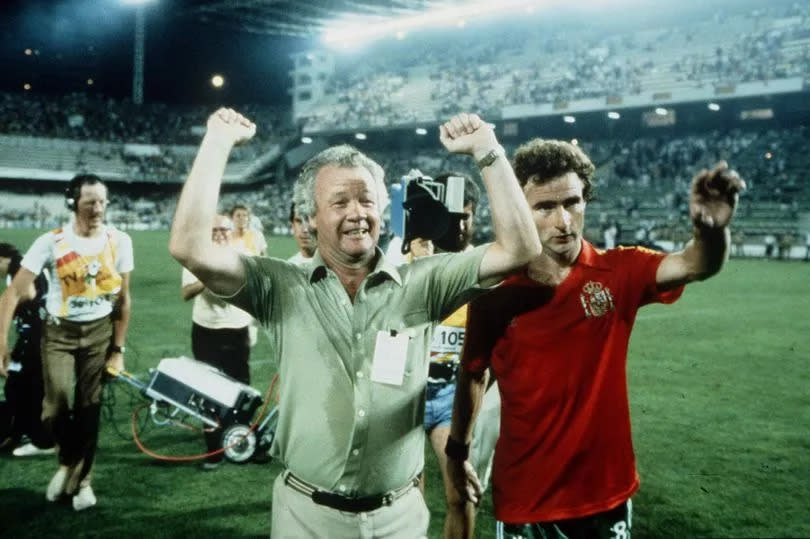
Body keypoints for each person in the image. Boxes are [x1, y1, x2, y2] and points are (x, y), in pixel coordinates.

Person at [169, 108, 541, 537]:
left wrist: (487, 149)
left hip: (398, 517)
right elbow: (188, 245)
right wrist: (216, 143)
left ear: (384, 208)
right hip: (306, 517)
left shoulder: (425, 281)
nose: (356, 213)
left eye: (366, 200)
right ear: (311, 217)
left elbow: (520, 248)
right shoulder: (279, 285)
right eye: (339, 202)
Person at [446, 139, 745, 539]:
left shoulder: (619, 271)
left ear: (586, 199)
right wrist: (457, 453)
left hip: (606, 493)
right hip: (526, 495)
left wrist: (710, 232)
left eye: (571, 202)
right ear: (520, 210)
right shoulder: (493, 293)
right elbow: (473, 375)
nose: (563, 222)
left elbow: (695, 264)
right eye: (544, 207)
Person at [0, 173, 133, 511]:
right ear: (73, 202)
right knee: (56, 403)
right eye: (90, 201)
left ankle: (81, 480)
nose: (98, 208)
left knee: (90, 406)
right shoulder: (52, 241)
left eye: (102, 201)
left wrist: (117, 350)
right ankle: (67, 461)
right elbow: (14, 292)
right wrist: (1, 342)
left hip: (99, 332)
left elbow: (124, 300)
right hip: (58, 332)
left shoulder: (120, 240)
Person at [181, 214, 252, 470]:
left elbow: (252, 288)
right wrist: (206, 278)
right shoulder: (197, 255)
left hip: (237, 328)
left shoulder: (242, 253)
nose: (220, 234)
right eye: (215, 230)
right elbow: (186, 292)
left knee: (241, 386)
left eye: (225, 230)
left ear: (232, 232)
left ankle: (242, 442)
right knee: (208, 388)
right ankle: (213, 449)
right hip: (206, 330)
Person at [0, 243, 55, 457]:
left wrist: (5, 303)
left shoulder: (18, 265)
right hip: (37, 332)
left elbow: (28, 293)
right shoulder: (28, 263)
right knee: (19, 384)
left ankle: (41, 440)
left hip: (36, 334)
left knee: (25, 386)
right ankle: (21, 432)